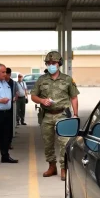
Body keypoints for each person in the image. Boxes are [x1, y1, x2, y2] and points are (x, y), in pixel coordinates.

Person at [31, 51, 79, 181]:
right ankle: (52, 166)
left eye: (54, 63)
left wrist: (75, 114)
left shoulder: (67, 79)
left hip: (62, 115)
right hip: (47, 116)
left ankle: (64, 168)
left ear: (59, 64)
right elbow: (33, 96)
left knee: (64, 143)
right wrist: (41, 101)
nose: (51, 65)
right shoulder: (41, 79)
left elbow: (74, 97)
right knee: (48, 144)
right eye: (48, 63)